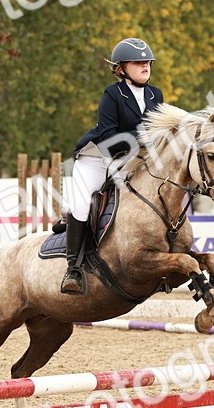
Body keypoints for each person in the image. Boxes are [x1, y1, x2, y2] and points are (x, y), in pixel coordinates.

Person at [62, 37, 164, 295]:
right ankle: (73, 269)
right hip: (99, 157)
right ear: (121, 68)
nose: (145, 66)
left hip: (134, 159)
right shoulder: (113, 94)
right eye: (137, 63)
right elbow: (109, 138)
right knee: (82, 202)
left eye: (147, 62)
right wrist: (145, 137)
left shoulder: (155, 94)